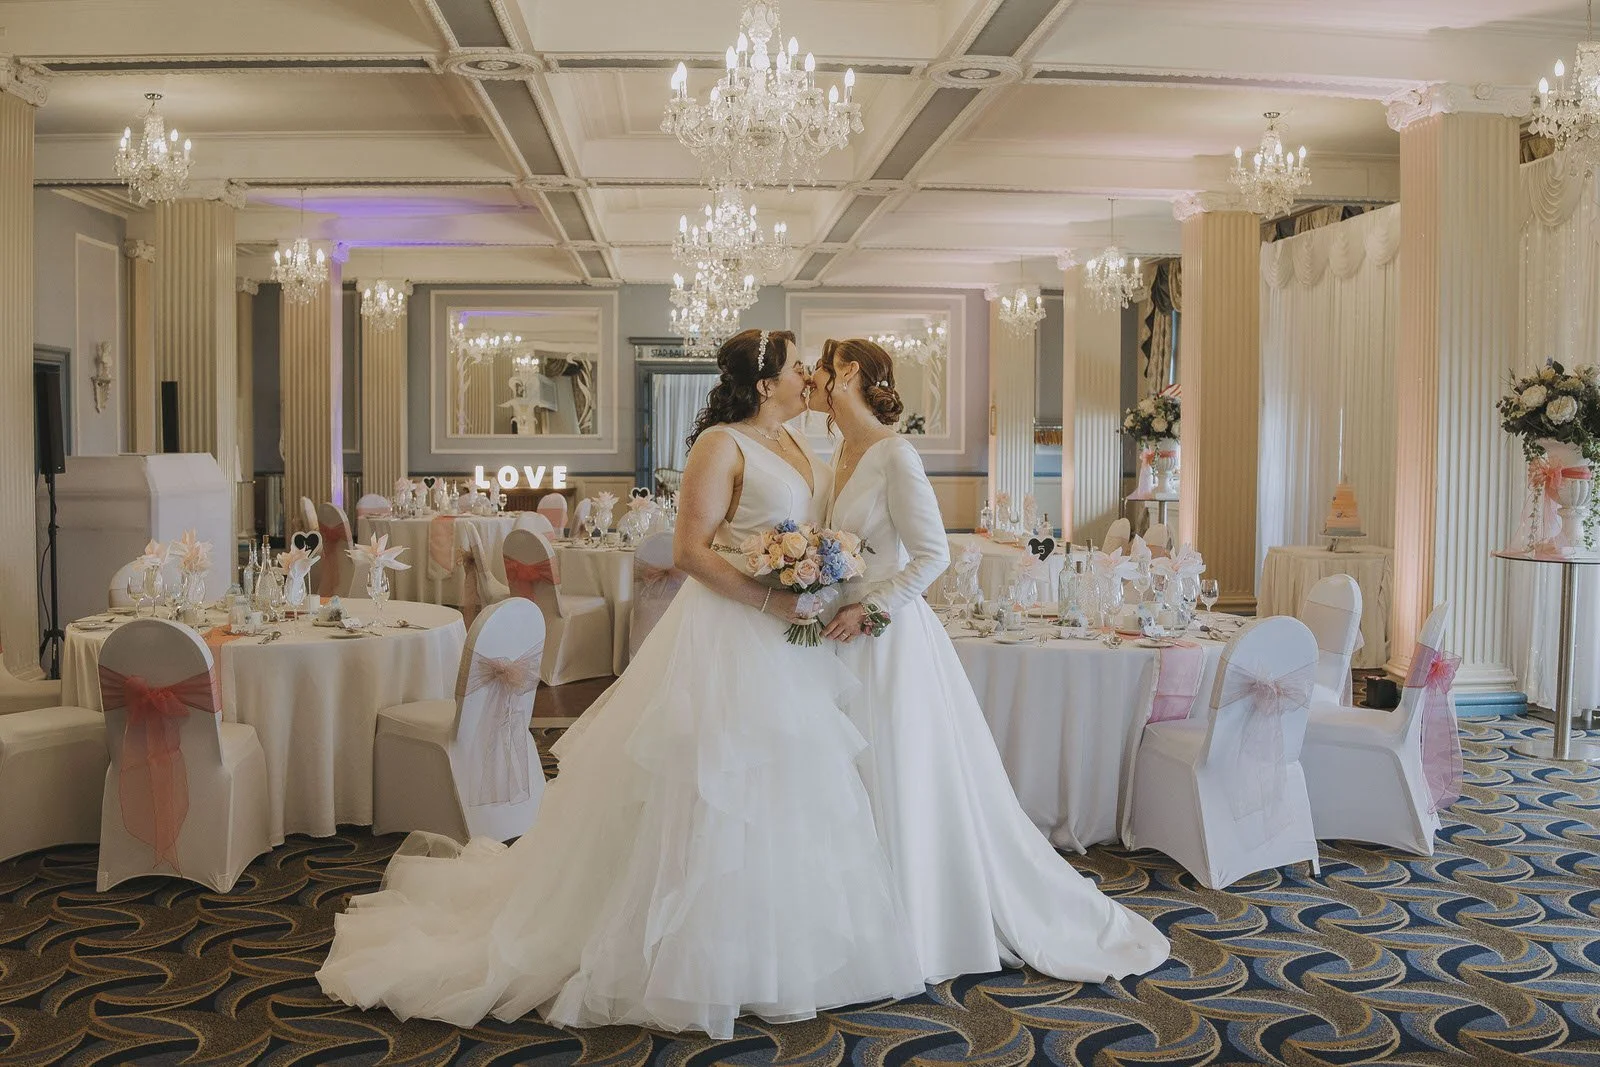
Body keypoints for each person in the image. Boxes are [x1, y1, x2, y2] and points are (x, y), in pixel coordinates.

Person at [317, 329, 924, 1039]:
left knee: (783, 788)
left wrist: (818, 572)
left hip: (788, 642)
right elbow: (694, 551)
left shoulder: (799, 444)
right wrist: (772, 597)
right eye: (796, 368)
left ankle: (769, 942)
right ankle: (683, 952)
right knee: (706, 785)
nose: (807, 379)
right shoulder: (720, 444)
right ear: (764, 384)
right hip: (731, 632)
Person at [809, 337, 1170, 983]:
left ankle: (921, 918)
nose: (812, 378)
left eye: (822, 369)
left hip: (887, 638)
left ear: (850, 375)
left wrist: (873, 608)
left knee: (898, 773)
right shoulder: (839, 451)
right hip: (841, 636)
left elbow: (932, 555)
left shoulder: (895, 453)